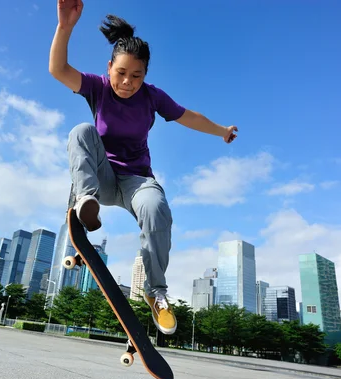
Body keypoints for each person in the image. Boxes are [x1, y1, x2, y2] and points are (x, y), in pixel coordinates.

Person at [49, 0, 238, 335]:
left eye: (136, 76)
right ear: (109, 68)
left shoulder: (152, 97)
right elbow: (59, 70)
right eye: (121, 73)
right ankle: (85, 202)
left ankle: (156, 294)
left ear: (145, 75)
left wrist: (221, 130)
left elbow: (188, 116)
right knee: (81, 131)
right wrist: (65, 27)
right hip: (103, 179)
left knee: (156, 205)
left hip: (136, 182)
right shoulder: (98, 87)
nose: (127, 82)